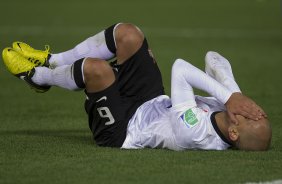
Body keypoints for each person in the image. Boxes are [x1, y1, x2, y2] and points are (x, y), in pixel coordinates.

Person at [2, 23, 269, 150]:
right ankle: (51, 59)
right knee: (129, 34)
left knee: (98, 70)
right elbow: (214, 59)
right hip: (151, 102)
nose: (249, 110)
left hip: (122, 130)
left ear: (233, 133)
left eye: (249, 118)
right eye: (256, 111)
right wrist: (234, 92)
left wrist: (230, 94)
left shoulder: (196, 133)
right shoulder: (232, 108)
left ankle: (36, 77)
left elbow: (180, 69)